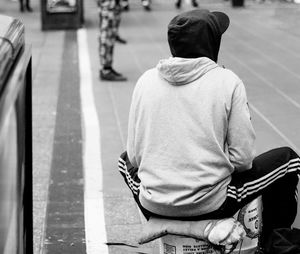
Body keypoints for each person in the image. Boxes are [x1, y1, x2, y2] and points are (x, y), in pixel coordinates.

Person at [118, 9, 300, 250]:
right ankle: (272, 245)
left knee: (123, 161)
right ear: (212, 44)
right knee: (289, 160)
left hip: (152, 204)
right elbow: (243, 160)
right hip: (213, 203)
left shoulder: (145, 81)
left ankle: (163, 221)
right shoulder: (228, 81)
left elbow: (135, 158)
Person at [98, 0, 127, 81]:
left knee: (111, 38)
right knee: (107, 37)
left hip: (113, 6)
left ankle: (108, 67)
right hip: (108, 6)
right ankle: (105, 70)